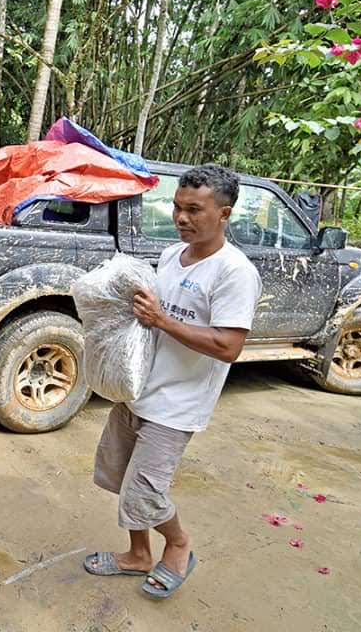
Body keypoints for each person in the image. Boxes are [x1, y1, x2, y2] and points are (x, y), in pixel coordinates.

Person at [83, 163, 261, 599]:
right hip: (139, 389)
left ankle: (178, 545)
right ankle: (138, 553)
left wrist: (162, 319)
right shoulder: (169, 256)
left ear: (224, 214)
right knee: (119, 474)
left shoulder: (234, 272)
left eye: (195, 210)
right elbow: (150, 319)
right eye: (178, 208)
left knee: (146, 490)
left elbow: (228, 346)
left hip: (177, 404)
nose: (182, 218)